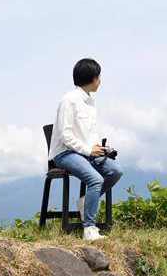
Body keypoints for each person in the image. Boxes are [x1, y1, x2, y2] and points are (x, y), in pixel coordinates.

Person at [48, 58, 123, 241]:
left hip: (85, 151)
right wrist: (88, 150)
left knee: (115, 171)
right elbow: (65, 135)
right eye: (99, 76)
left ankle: (85, 202)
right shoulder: (69, 100)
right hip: (65, 153)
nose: (100, 80)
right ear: (92, 77)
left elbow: (90, 133)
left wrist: (100, 148)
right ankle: (89, 228)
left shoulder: (90, 102)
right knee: (95, 179)